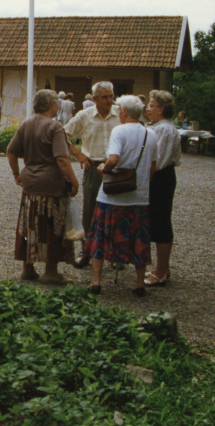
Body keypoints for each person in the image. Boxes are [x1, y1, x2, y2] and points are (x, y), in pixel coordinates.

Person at [7, 89, 80, 285]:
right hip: (51, 185)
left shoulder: (26, 124)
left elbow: (11, 151)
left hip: (30, 184)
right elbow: (62, 159)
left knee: (29, 223)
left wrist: (16, 173)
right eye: (57, 103)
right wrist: (74, 181)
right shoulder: (55, 127)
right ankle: (50, 270)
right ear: (50, 104)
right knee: (52, 225)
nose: (59, 107)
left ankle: (28, 267)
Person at [88, 95, 156, 297]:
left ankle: (96, 281)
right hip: (139, 197)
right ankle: (139, 284)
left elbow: (114, 159)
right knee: (139, 239)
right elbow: (153, 166)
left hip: (113, 197)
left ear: (124, 111)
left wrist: (103, 169)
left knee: (100, 236)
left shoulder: (119, 131)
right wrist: (142, 182)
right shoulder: (150, 134)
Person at [64, 81, 120, 268]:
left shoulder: (120, 114)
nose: (109, 100)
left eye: (111, 96)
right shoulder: (84, 116)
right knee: (90, 211)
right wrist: (78, 154)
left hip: (116, 169)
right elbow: (63, 134)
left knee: (116, 211)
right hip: (93, 167)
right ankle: (86, 252)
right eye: (104, 97)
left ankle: (115, 255)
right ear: (94, 99)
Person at [144, 90, 182, 287]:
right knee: (157, 220)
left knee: (161, 222)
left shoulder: (165, 129)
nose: (148, 109)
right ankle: (162, 267)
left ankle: (161, 271)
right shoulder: (159, 127)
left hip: (161, 178)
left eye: (151, 105)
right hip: (159, 177)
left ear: (160, 109)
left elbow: (159, 160)